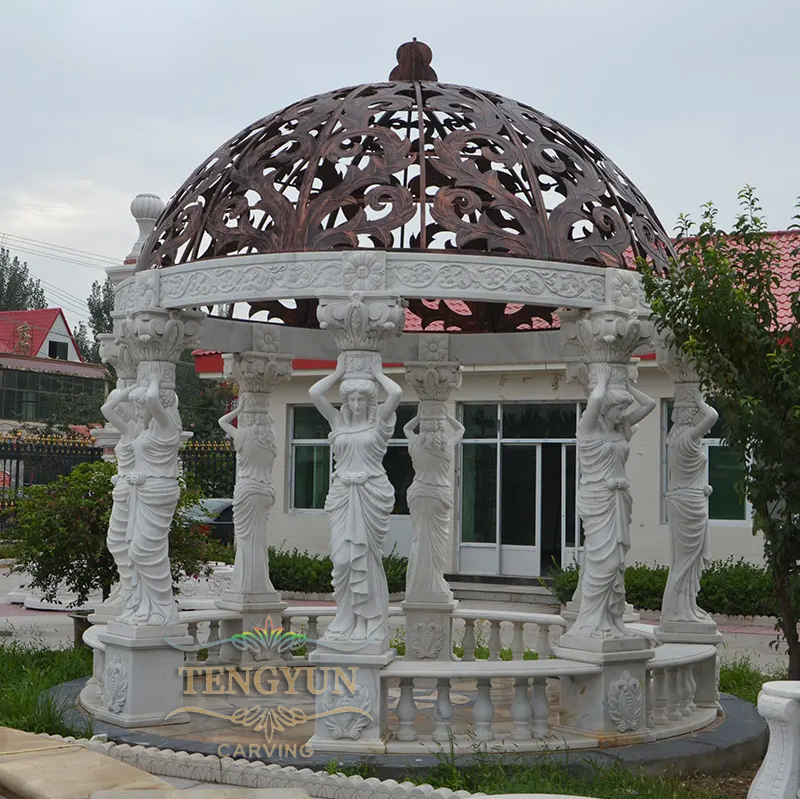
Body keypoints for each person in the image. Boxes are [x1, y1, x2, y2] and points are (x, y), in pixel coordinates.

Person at [309, 353, 402, 642]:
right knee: (342, 560)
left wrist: (378, 373)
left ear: (370, 401)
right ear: (346, 401)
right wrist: (338, 373)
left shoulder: (379, 424)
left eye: (362, 399)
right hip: (342, 494)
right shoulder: (338, 421)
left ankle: (369, 620)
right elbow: (314, 393)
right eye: (352, 399)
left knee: (366, 559)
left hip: (370, 492)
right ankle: (346, 617)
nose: (357, 404)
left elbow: (396, 392)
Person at [572, 363, 655, 639]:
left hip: (618, 500)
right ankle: (592, 621)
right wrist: (603, 383)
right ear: (605, 409)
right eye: (618, 409)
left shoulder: (621, 429)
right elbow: (594, 401)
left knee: (617, 563)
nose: (623, 414)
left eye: (623, 410)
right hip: (598, 500)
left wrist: (626, 386)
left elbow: (650, 404)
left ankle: (613, 620)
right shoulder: (589, 431)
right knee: (602, 562)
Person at [118, 371, 182, 626]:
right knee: (135, 550)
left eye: (140, 404)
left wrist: (153, 380)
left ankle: (163, 606)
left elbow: (154, 400)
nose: (137, 409)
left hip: (159, 492)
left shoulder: (167, 428)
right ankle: (144, 605)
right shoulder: (145, 430)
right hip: (142, 490)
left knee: (146, 551)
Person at [661, 388, 718, 624]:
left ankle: (686, 606)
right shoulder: (689, 437)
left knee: (683, 560)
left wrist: (702, 486)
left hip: (681, 497)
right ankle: (677, 610)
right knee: (686, 561)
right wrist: (700, 400)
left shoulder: (673, 439)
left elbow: (683, 476)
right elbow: (713, 416)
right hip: (691, 504)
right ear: (693, 416)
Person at [218, 395, 278, 597]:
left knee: (246, 540)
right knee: (258, 540)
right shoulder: (270, 437)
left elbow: (222, 422)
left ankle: (246, 584)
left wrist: (238, 409)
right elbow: (269, 421)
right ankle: (260, 583)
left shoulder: (242, 436)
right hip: (266, 490)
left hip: (247, 489)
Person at [403, 409, 464, 600]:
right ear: (440, 428)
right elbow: (460, 429)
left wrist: (420, 416)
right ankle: (434, 580)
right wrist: (445, 416)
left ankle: (418, 583)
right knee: (436, 542)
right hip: (439, 495)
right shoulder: (445, 446)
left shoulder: (415, 444)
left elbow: (406, 427)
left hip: (419, 493)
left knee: (420, 538)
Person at [100, 385, 137, 610]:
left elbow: (108, 408)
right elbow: (107, 408)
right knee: (116, 540)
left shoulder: (135, 429)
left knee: (124, 540)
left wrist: (125, 393)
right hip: (121, 489)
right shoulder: (128, 431)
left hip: (131, 491)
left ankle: (131, 587)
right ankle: (126, 585)